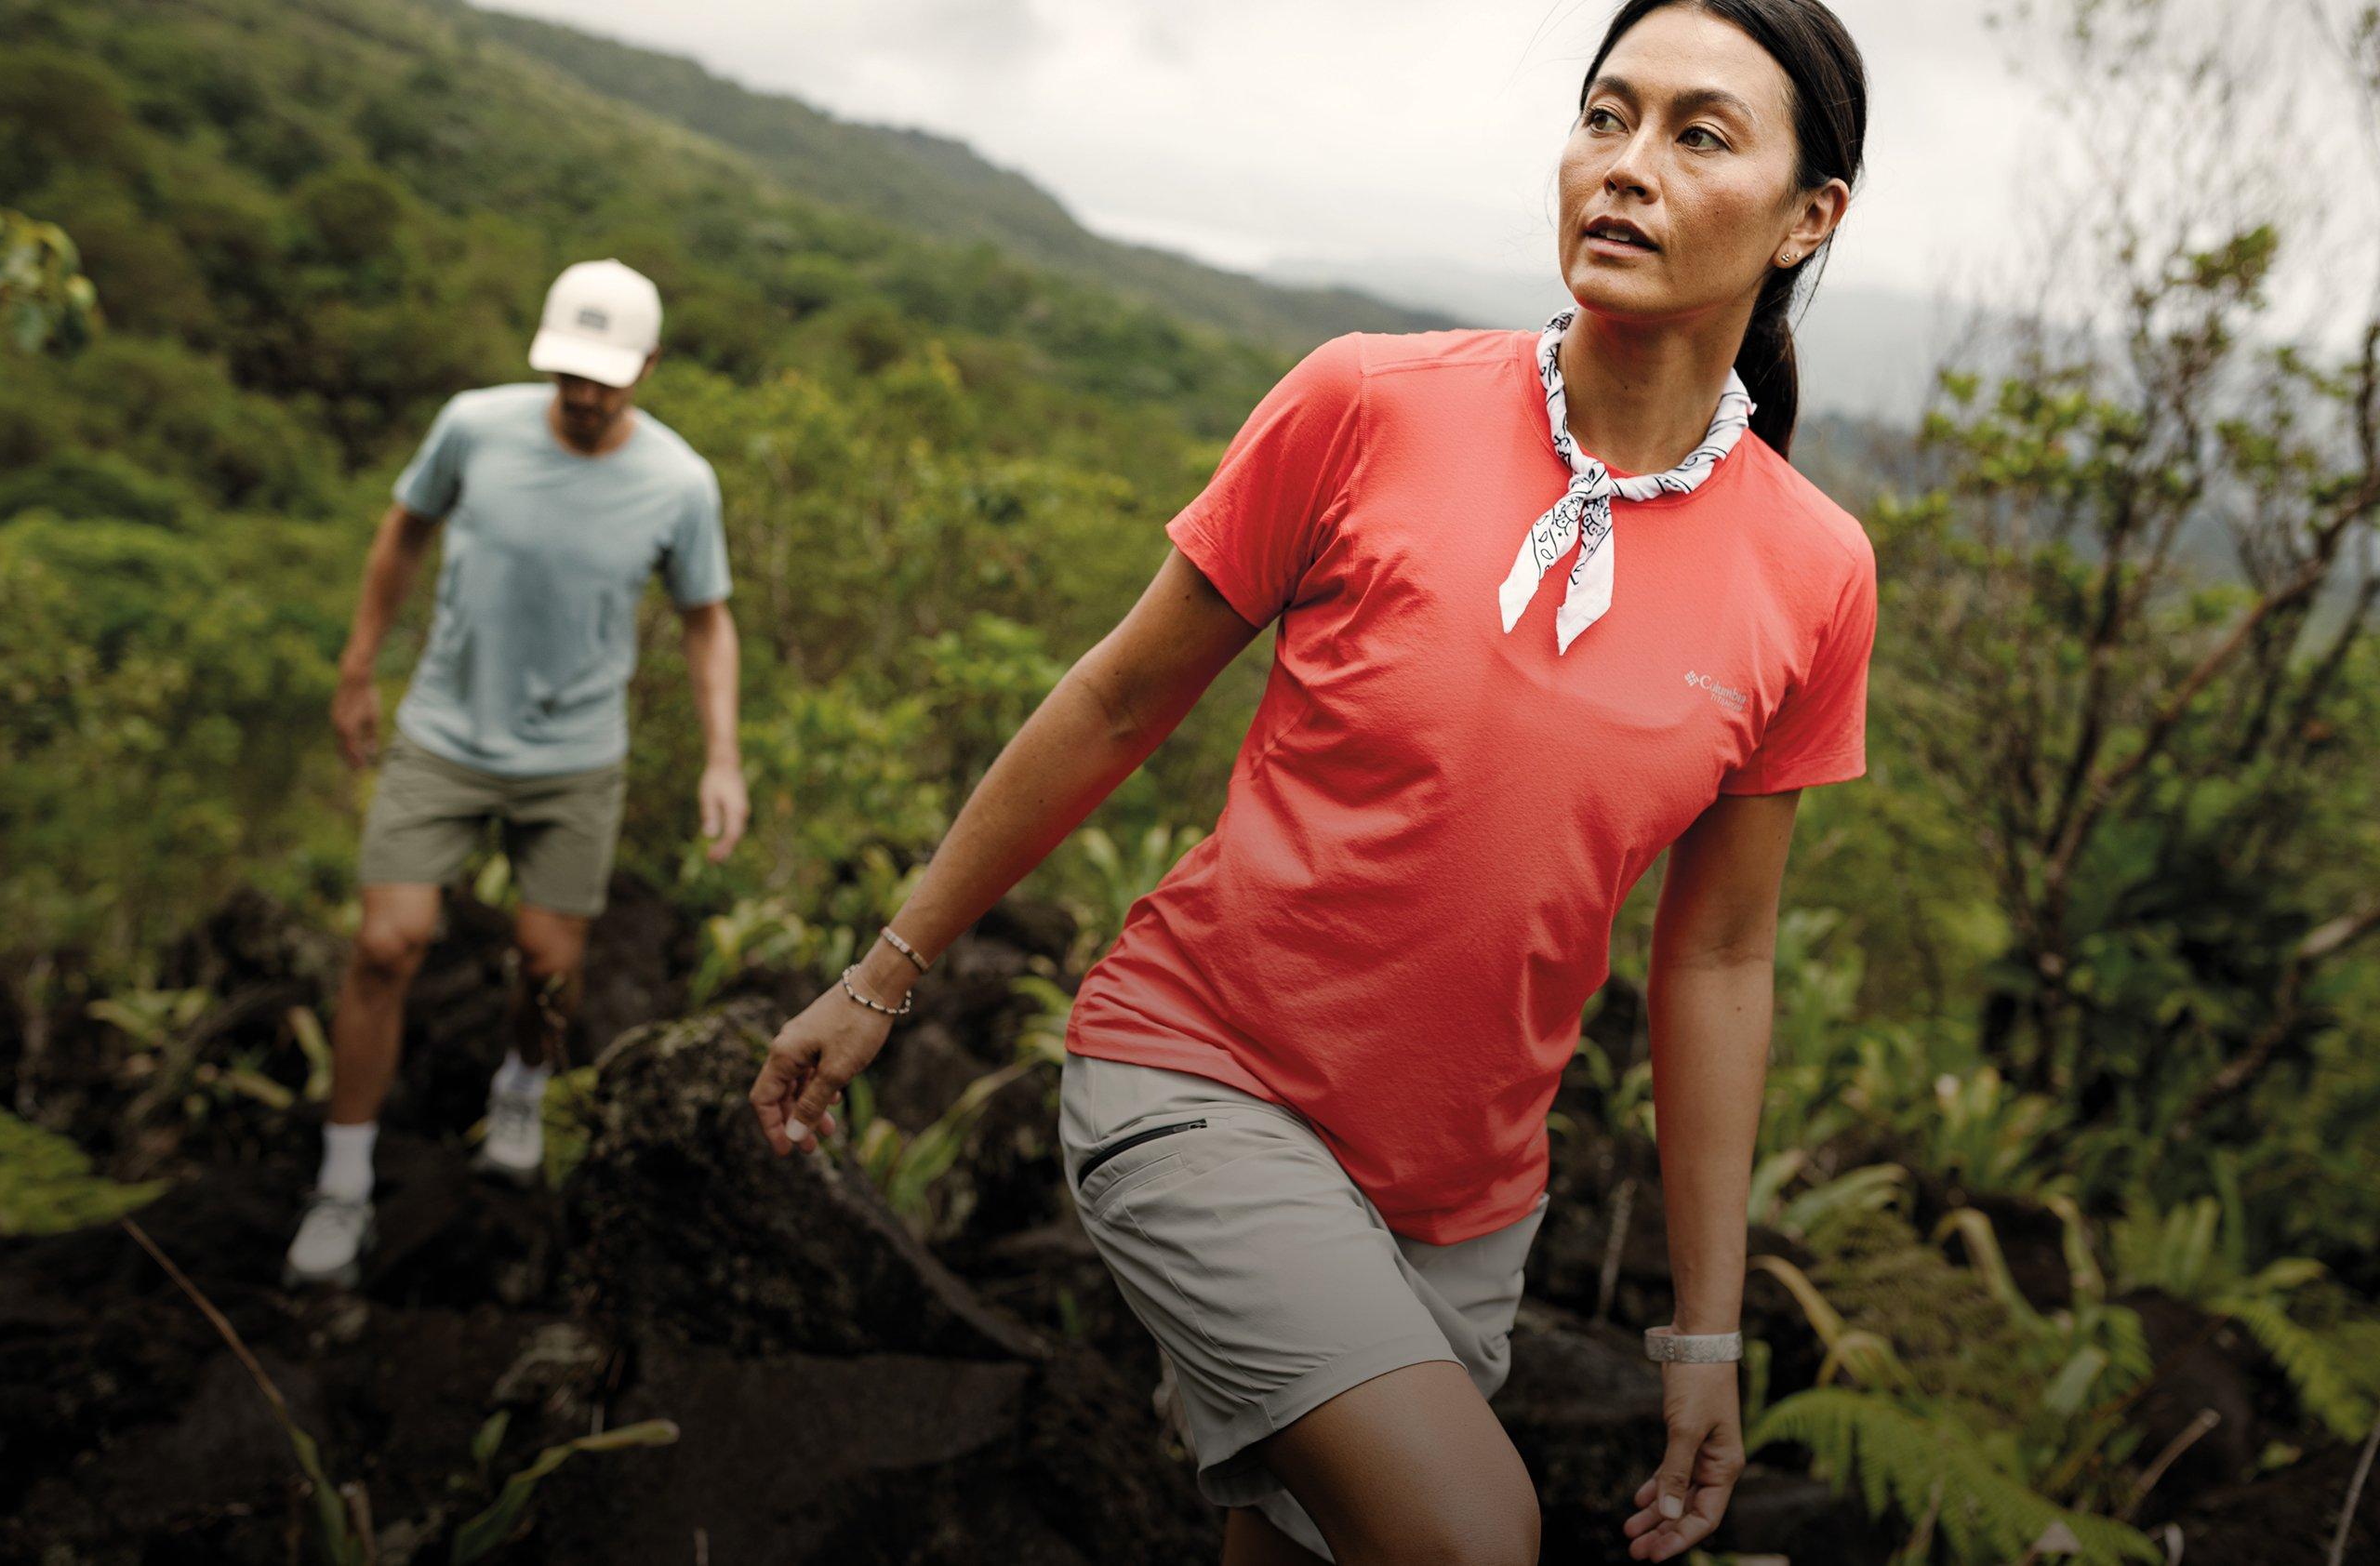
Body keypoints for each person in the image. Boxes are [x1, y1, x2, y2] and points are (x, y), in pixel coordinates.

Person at [750, 0, 1869, 1559]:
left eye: (1696, 134)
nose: (1625, 167)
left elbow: (1720, 952)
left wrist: (1704, 1330)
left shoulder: (1813, 572)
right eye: (1604, 116)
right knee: (1474, 1533)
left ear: (1808, 216)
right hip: (1200, 1077)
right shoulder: (1367, 401)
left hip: (1468, 1203)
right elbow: (1119, 693)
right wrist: (886, 971)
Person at [285, 259, 746, 1290]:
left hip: (574, 758)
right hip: (445, 731)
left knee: (547, 966)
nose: (583, 395)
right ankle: (343, 1178)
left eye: (605, 376)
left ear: (649, 366)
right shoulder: (474, 427)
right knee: (384, 944)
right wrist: (359, 664)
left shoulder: (679, 483)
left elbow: (704, 619)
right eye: (568, 373)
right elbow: (405, 525)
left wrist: (723, 756)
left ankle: (521, 1087)